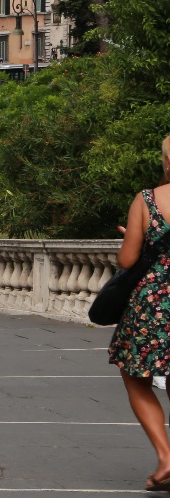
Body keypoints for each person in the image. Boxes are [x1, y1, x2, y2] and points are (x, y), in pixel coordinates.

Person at [109, 135, 170, 491]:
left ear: (166, 162)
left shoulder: (147, 200)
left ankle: (166, 457)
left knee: (136, 376)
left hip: (155, 301)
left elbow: (128, 261)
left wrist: (136, 236)